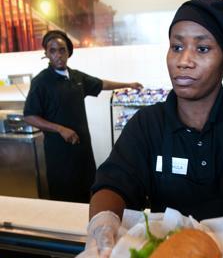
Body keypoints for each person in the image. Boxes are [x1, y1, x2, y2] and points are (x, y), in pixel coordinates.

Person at [87, 0, 223, 256]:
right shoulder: (148, 123)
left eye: (202, 49)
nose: (184, 61)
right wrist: (103, 223)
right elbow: (113, 182)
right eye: (177, 47)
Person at [24, 30, 143, 203]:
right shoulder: (41, 82)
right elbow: (29, 116)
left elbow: (101, 84)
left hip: (82, 150)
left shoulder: (76, 77)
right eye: (53, 50)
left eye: (62, 50)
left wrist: (128, 84)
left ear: (68, 52)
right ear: (46, 54)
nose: (58, 55)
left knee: (86, 189)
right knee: (64, 196)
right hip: (59, 153)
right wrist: (60, 129)